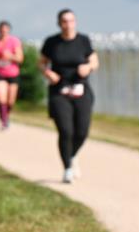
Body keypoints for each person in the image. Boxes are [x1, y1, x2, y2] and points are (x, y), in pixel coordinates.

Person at [40, 9, 98, 183]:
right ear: (59, 23)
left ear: (75, 22)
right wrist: (47, 72)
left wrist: (88, 68)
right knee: (66, 130)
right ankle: (67, 169)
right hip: (59, 90)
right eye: (64, 21)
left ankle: (72, 155)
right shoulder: (52, 42)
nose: (68, 24)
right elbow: (42, 62)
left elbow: (94, 60)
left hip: (81, 89)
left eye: (71, 21)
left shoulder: (83, 41)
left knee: (81, 131)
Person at [0, 21, 24, 130]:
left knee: (10, 101)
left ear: (8, 30)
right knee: (1, 97)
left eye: (5, 30)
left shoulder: (14, 41)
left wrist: (10, 56)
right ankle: (4, 121)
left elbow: (20, 59)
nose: (3, 32)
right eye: (1, 30)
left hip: (12, 73)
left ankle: (6, 115)